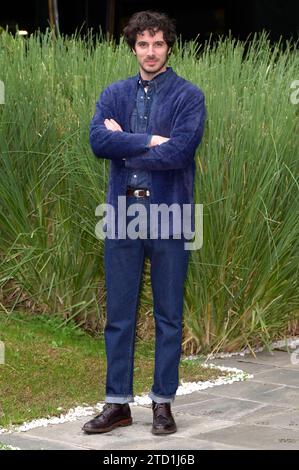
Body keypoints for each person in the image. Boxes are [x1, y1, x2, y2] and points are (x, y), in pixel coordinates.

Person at [83, 10, 206, 436]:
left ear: (168, 47)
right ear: (133, 47)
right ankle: (117, 403)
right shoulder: (114, 93)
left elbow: (180, 152)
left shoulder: (189, 97)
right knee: (119, 313)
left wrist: (124, 146)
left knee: (169, 315)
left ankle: (163, 403)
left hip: (170, 215)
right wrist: (150, 140)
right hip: (121, 215)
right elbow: (98, 140)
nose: (150, 52)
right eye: (142, 44)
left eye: (158, 44)